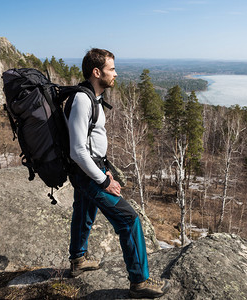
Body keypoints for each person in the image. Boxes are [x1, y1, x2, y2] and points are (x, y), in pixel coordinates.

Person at [66, 48, 170, 299]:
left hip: (91, 170)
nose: (116, 73)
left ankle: (78, 260)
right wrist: (103, 180)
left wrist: (105, 171)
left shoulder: (93, 97)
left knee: (84, 211)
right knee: (128, 219)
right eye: (111, 69)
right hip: (86, 172)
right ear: (96, 72)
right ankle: (140, 281)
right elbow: (77, 150)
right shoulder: (82, 100)